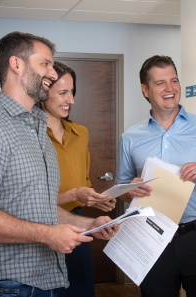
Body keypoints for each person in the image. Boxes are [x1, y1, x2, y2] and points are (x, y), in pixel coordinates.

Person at [0, 31, 117, 297]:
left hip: (46, 279)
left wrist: (89, 225)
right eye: (45, 64)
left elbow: (40, 207)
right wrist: (48, 235)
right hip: (7, 286)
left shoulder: (37, 130)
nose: (52, 73)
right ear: (16, 65)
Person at [116, 55, 196, 297]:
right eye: (160, 83)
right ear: (145, 90)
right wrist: (130, 190)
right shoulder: (130, 137)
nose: (170, 89)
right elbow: (123, 191)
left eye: (174, 80)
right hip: (151, 236)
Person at [40, 61, 117, 297]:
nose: (70, 100)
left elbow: (83, 181)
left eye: (72, 92)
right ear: (43, 93)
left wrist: (95, 198)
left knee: (81, 291)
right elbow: (28, 197)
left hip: (77, 223)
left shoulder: (80, 132)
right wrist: (75, 193)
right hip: (41, 226)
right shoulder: (30, 136)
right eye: (62, 93)